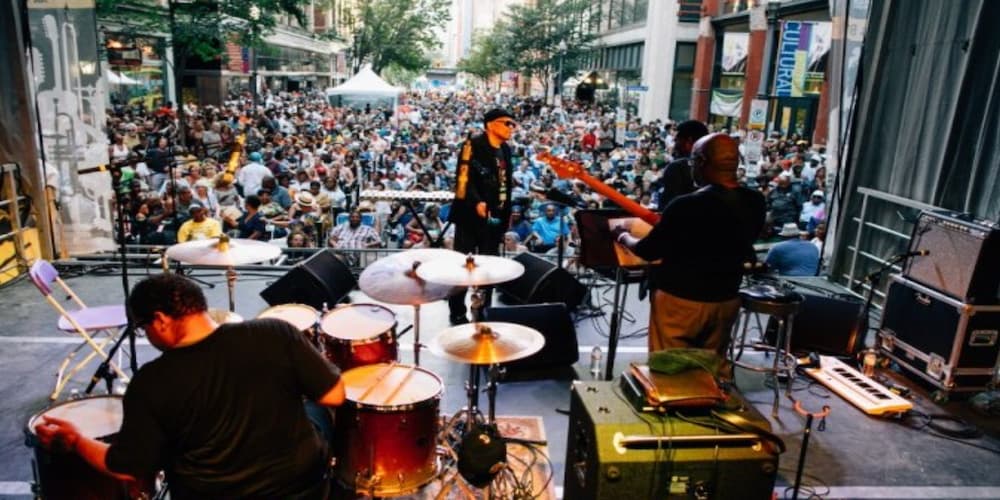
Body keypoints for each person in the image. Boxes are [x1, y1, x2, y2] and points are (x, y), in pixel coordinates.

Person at [32, 273, 345, 499]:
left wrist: (75, 441)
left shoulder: (151, 382)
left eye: (142, 328)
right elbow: (335, 395)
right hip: (300, 486)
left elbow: (127, 468)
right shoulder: (275, 332)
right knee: (316, 409)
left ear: (160, 320)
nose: (147, 337)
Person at [615, 133, 766, 356]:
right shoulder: (756, 201)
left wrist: (624, 237)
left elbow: (649, 250)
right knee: (709, 369)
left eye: (693, 161)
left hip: (681, 301)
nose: (691, 167)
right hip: (726, 298)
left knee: (670, 368)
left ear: (702, 162)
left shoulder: (686, 205)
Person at [447, 108, 516, 325]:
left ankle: (484, 308)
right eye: (506, 123)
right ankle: (457, 309)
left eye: (512, 124)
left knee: (490, 264)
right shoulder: (472, 145)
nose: (511, 128)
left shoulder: (505, 149)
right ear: (490, 125)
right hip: (470, 216)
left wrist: (506, 212)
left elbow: (505, 183)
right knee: (462, 263)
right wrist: (476, 201)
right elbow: (463, 177)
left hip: (494, 218)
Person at [656, 120, 709, 209]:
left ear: (689, 141)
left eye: (677, 140)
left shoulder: (677, 167)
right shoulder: (712, 167)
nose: (674, 145)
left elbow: (668, 208)